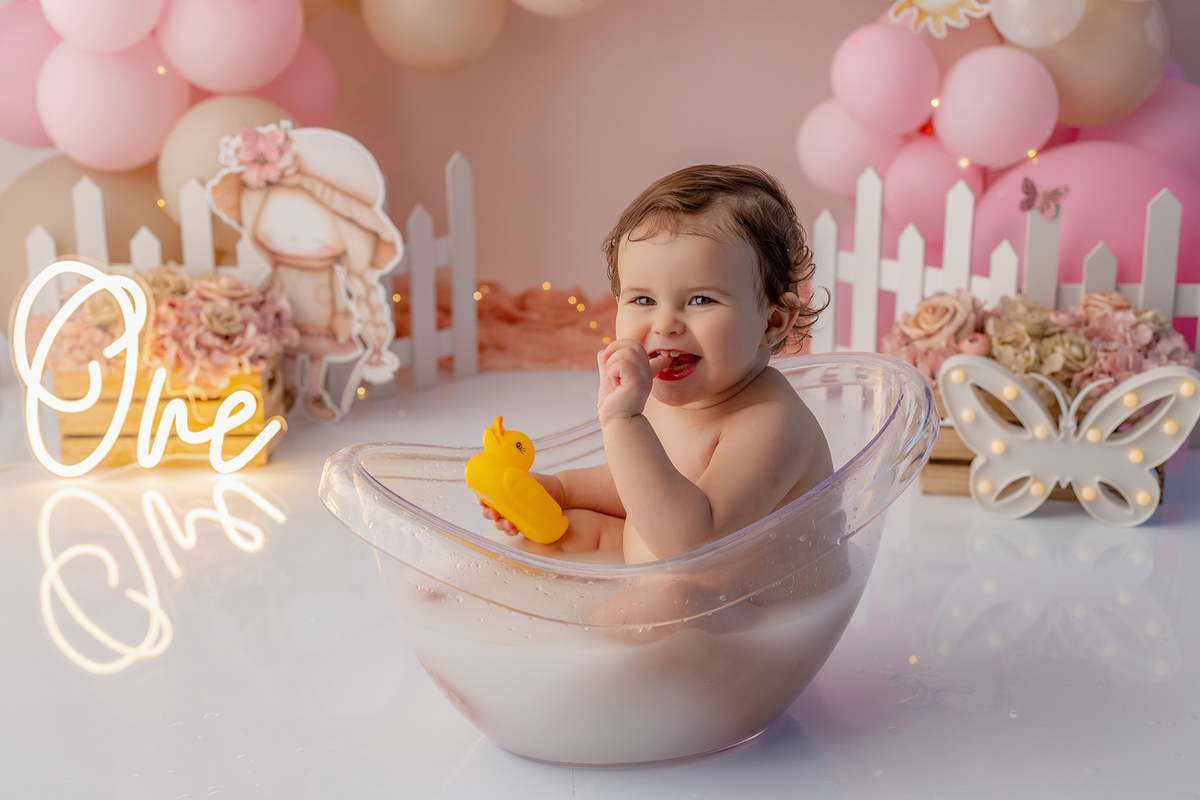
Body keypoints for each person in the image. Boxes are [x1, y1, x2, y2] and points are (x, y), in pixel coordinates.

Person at [481, 165, 832, 564]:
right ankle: (458, 582)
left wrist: (622, 423)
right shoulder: (669, 397)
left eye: (700, 300)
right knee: (555, 533)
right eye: (644, 300)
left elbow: (694, 545)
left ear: (772, 322)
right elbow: (640, 485)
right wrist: (561, 489)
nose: (665, 324)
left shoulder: (772, 425)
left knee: (663, 596)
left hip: (750, 594)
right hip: (668, 565)